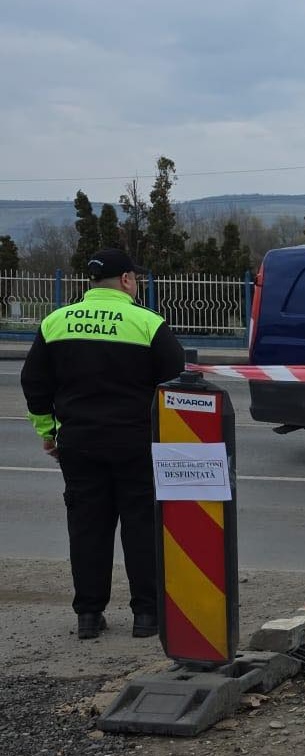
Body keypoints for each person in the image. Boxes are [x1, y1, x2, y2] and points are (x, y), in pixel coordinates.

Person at [21, 248, 185, 640]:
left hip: (79, 442)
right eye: (136, 279)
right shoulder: (147, 323)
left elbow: (34, 383)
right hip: (136, 443)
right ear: (127, 280)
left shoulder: (56, 323)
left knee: (87, 528)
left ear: (92, 282)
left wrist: (48, 431)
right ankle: (147, 617)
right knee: (142, 526)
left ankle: (89, 617)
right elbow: (177, 382)